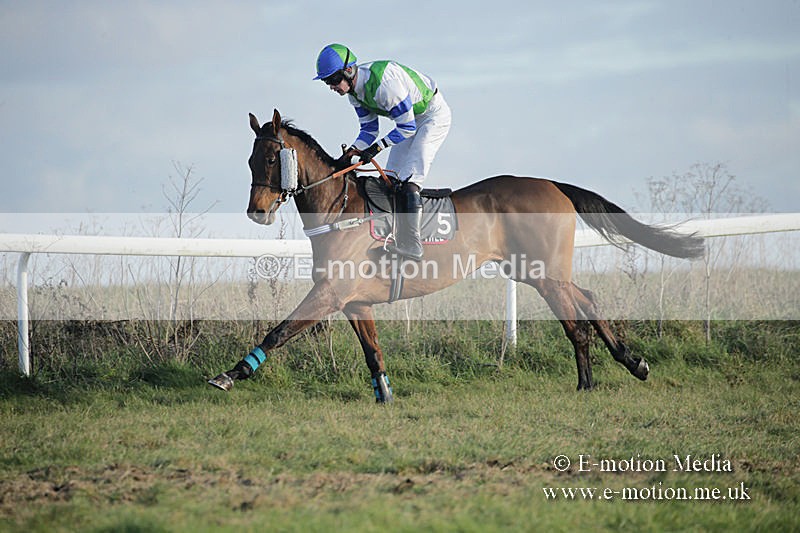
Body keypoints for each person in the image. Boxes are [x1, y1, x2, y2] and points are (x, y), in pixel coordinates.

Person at [314, 43, 451, 261]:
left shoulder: (385, 86)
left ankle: (413, 244)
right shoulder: (354, 95)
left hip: (432, 117)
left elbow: (407, 128)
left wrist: (376, 148)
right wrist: (353, 151)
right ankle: (392, 236)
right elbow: (369, 130)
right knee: (391, 180)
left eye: (333, 79)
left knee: (410, 180)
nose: (331, 86)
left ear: (348, 71)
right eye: (326, 82)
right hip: (409, 121)